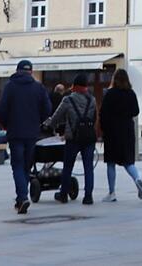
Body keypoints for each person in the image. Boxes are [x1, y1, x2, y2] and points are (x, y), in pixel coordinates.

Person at [0, 59, 52, 214]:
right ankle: (21, 198)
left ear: (17, 70)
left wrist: (6, 123)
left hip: (15, 132)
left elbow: (1, 108)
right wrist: (38, 121)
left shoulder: (10, 87)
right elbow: (48, 109)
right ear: (31, 71)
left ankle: (22, 197)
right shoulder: (38, 87)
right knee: (26, 166)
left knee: (17, 165)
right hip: (32, 133)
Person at [43, 73, 96, 205]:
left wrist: (48, 124)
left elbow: (56, 117)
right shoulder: (92, 100)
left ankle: (63, 194)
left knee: (68, 166)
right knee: (88, 167)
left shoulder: (68, 100)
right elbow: (94, 117)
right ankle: (88, 196)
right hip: (89, 137)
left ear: (75, 86)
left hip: (73, 138)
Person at [99, 69, 142, 202]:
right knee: (128, 162)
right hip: (127, 131)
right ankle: (137, 179)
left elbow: (103, 113)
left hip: (112, 132)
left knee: (111, 163)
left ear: (114, 79)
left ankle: (112, 192)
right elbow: (136, 111)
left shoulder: (110, 94)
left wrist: (103, 129)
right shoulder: (131, 94)